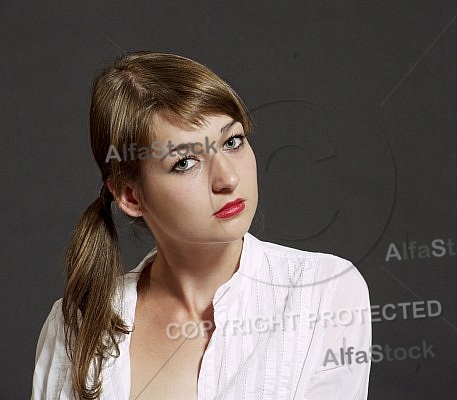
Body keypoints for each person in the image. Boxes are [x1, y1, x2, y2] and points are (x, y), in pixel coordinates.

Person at [31, 51, 371, 399]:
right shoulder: (75, 326)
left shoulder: (324, 292)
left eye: (232, 141)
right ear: (131, 196)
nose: (227, 178)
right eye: (186, 162)